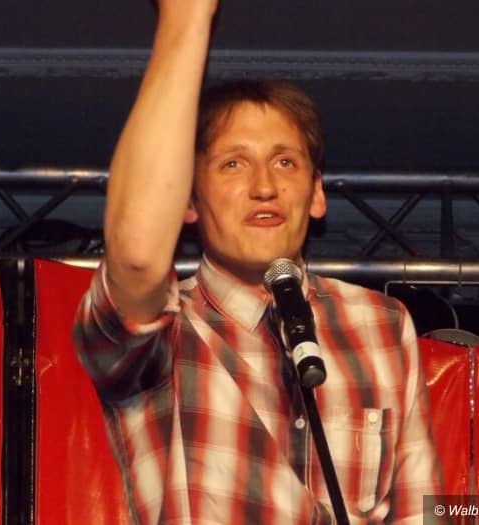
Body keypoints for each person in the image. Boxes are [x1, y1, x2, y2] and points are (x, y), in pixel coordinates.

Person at [73, 0, 442, 522]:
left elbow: (420, 512)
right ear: (188, 200)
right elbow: (135, 259)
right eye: (233, 164)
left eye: (285, 162)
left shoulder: (381, 323)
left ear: (317, 193)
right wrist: (186, 19)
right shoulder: (167, 333)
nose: (264, 186)